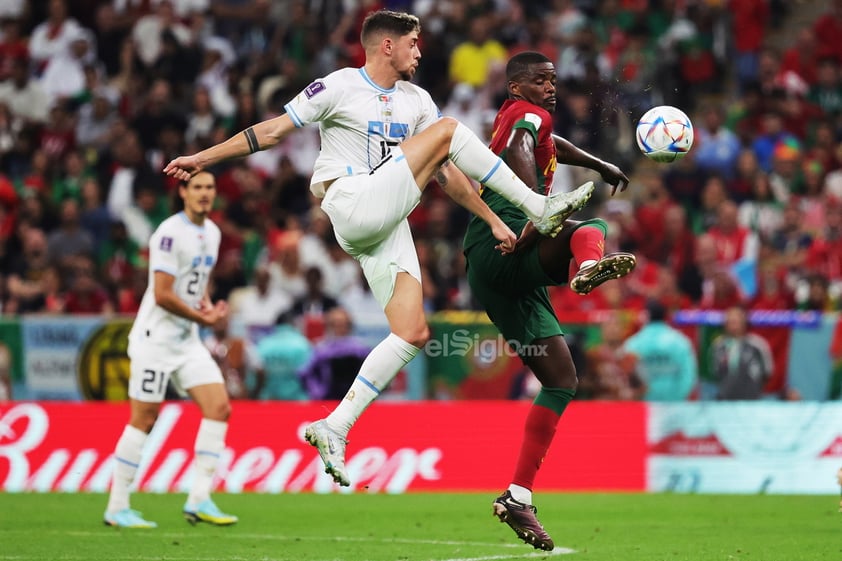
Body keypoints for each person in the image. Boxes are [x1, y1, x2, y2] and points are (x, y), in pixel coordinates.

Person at [164, 10, 595, 487]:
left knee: (411, 333)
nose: (419, 51)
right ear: (386, 45)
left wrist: (492, 219)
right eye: (413, 42)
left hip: (383, 222)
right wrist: (201, 158)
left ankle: (335, 426)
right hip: (351, 199)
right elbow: (270, 133)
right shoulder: (338, 86)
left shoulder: (417, 101)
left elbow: (447, 174)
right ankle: (538, 206)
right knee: (451, 132)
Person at [461, 51, 636, 551]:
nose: (550, 87)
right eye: (540, 80)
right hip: (509, 236)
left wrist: (598, 164)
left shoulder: (516, 116)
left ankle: (517, 496)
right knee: (595, 229)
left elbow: (541, 142)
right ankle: (584, 270)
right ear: (517, 87)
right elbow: (526, 143)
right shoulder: (526, 116)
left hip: (494, 269)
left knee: (561, 380)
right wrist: (533, 211)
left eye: (553, 80)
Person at [104, 171, 237, 528]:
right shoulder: (168, 233)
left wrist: (206, 307)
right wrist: (201, 318)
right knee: (145, 418)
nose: (205, 194)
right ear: (183, 192)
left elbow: (196, 283)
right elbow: (163, 295)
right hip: (155, 340)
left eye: (210, 187)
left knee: (219, 408)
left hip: (186, 339)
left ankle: (199, 499)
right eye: (197, 188)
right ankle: (117, 506)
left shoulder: (212, 233)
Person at [622, 300, 698, 402]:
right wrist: (678, 398)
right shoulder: (681, 342)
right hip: (674, 404)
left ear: (646, 316)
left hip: (644, 407)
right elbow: (689, 375)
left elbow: (625, 378)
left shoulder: (633, 344)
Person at [709, 305, 773, 400]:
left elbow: (767, 372)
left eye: (736, 321)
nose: (733, 324)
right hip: (725, 401)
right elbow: (715, 372)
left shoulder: (757, 345)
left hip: (751, 401)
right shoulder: (718, 346)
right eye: (730, 321)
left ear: (744, 322)